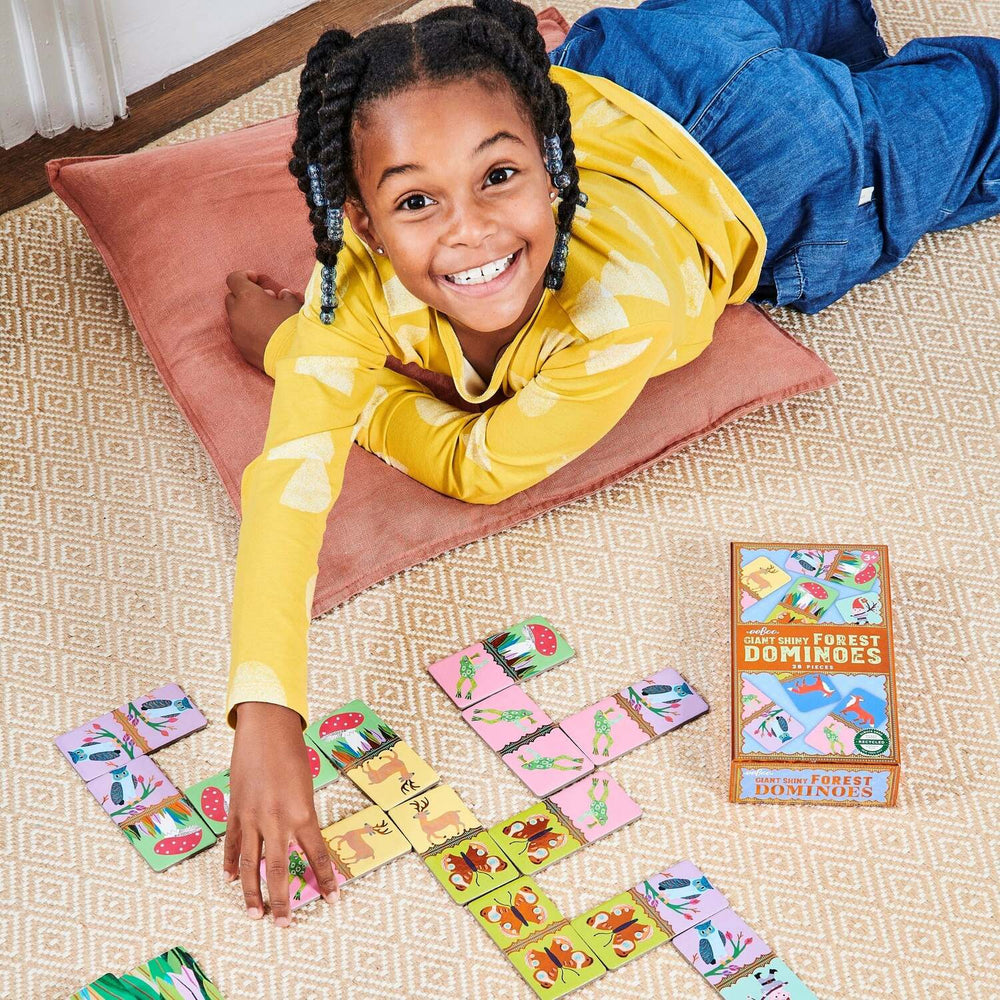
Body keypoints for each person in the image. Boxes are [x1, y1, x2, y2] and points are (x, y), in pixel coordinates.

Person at [221, 0, 998, 926]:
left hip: (784, 154)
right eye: (417, 201)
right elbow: (290, 483)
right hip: (639, 58)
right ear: (362, 219)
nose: (470, 235)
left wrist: (300, 360)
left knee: (972, 103)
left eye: (498, 176)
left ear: (549, 164)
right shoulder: (347, 279)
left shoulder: (619, 313)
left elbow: (479, 467)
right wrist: (266, 710)